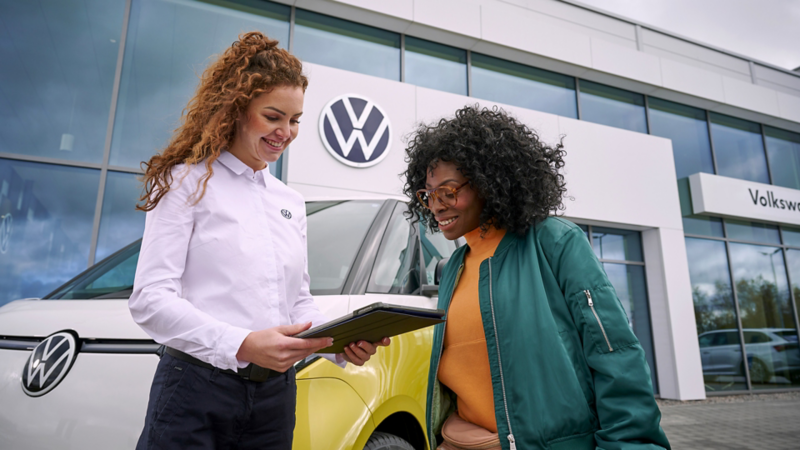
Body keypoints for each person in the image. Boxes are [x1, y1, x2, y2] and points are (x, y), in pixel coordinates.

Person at [129, 31, 389, 449]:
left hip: (275, 399)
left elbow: (298, 301)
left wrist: (338, 343)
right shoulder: (186, 182)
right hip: (195, 391)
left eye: (295, 120)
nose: (286, 132)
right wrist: (244, 343)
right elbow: (150, 300)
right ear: (235, 109)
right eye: (273, 117)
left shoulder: (290, 202)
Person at [402, 105, 670, 450]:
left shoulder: (554, 242)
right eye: (428, 194)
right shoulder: (454, 266)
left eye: (449, 191)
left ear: (489, 181)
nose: (436, 205)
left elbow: (616, 355)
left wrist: (630, 444)